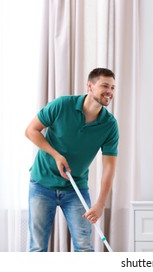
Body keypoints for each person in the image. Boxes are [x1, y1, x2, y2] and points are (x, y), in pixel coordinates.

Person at [25, 68, 119, 252]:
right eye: (105, 86)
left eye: (113, 87)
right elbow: (30, 130)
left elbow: (109, 167)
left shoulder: (109, 125)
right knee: (37, 247)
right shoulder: (62, 105)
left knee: (84, 247)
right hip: (42, 183)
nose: (110, 91)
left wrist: (100, 204)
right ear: (90, 87)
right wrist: (56, 155)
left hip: (76, 188)